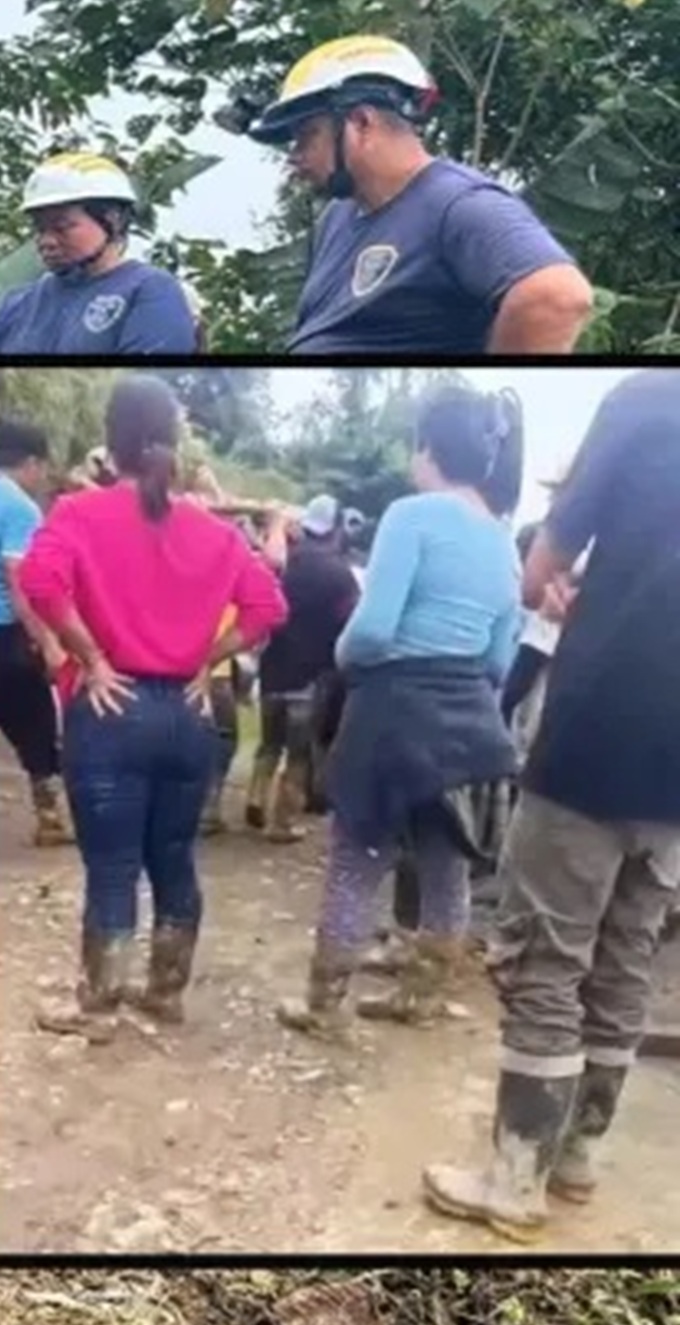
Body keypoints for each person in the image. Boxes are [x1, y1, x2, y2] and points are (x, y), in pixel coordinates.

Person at [422, 370, 680, 1238]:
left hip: (605, 720)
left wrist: (561, 590)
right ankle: (577, 1160)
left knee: (549, 955)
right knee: (628, 950)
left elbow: (539, 572)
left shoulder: (649, 400)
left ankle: (516, 1177)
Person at [19, 376, 286, 1044]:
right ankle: (165, 995)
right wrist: (205, 657)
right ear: (171, 440)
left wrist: (91, 655)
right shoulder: (215, 531)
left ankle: (100, 1007)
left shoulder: (80, 513)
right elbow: (268, 608)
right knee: (174, 858)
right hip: (189, 717)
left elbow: (39, 580)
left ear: (113, 440)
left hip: (110, 708)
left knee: (112, 867)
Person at [276, 387, 525, 1044]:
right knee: (448, 872)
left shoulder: (411, 517)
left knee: (357, 860)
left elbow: (372, 630)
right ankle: (423, 999)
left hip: (393, 715)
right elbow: (500, 658)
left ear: (428, 448)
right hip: (472, 726)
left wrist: (344, 655)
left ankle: (326, 1008)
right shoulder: (504, 542)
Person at [240, 35, 594, 354]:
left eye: (307, 135)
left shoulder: (460, 204)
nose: (294, 156)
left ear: (362, 122)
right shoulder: (338, 216)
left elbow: (557, 297)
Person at [0, 153, 199, 411]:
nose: (46, 241)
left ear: (113, 220)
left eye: (62, 227)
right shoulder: (14, 305)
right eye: (40, 229)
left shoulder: (148, 290)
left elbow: (146, 391)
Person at [246, 496, 361, 844]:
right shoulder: (340, 575)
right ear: (336, 529)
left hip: (272, 671)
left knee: (268, 744)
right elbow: (353, 624)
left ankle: (255, 797)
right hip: (309, 679)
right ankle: (281, 822)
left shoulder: (284, 561)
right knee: (298, 754)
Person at [0, 417, 73, 847]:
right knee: (37, 725)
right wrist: (49, 642)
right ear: (33, 462)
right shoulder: (19, 507)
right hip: (7, 635)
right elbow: (21, 583)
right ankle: (50, 818)